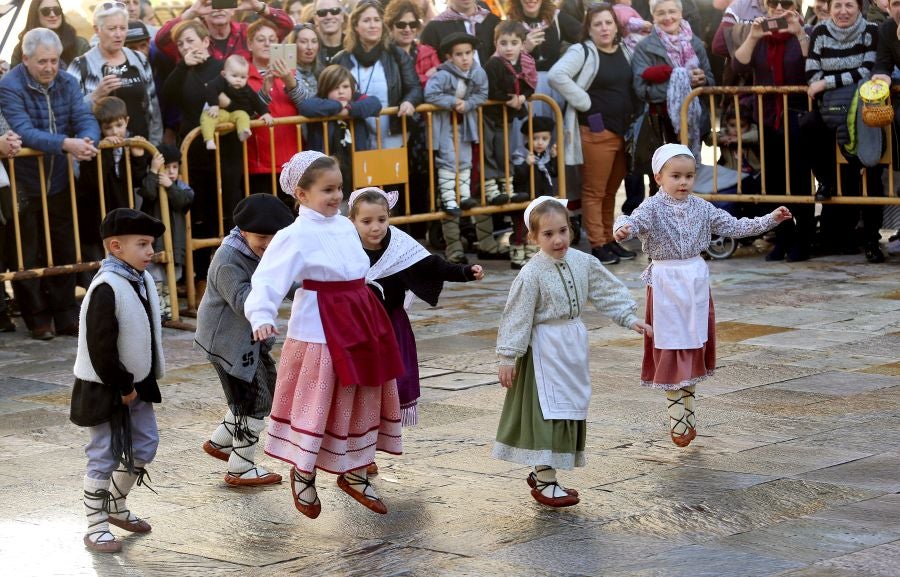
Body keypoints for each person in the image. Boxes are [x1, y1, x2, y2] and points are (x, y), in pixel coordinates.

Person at [244, 151, 405, 519]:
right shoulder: (293, 235)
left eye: (339, 188)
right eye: (327, 190)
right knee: (318, 399)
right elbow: (267, 279)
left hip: (361, 315)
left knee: (362, 394)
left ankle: (356, 469)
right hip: (321, 325)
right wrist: (261, 315)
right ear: (301, 194)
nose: (336, 196)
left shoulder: (345, 226)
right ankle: (303, 470)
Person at [613, 144, 791, 447]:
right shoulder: (652, 208)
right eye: (676, 176)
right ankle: (677, 416)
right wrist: (623, 229)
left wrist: (770, 219)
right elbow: (631, 220)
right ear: (658, 177)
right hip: (667, 281)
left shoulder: (701, 207)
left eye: (689, 176)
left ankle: (689, 410)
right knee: (671, 341)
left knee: (693, 340)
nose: (683, 182)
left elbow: (734, 226)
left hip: (694, 279)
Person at [493, 196, 651, 508]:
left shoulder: (582, 261)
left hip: (572, 345)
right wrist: (508, 355)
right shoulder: (531, 273)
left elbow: (606, 290)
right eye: (548, 234)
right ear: (534, 238)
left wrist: (629, 317)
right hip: (543, 350)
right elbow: (517, 315)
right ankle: (545, 477)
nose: (557, 239)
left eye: (562, 231)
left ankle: (544, 473)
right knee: (547, 411)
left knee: (569, 405)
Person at [348, 187, 484, 472]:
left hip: (391, 330)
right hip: (358, 331)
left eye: (382, 219)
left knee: (387, 390)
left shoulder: (399, 246)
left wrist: (464, 272)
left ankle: (367, 451)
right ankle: (355, 450)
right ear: (352, 221)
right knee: (361, 390)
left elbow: (433, 265)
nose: (376, 227)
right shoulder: (343, 250)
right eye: (367, 221)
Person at [70, 208, 166, 554]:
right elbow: (100, 346)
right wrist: (123, 386)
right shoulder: (106, 286)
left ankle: (115, 502)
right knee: (103, 454)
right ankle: (95, 524)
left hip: (136, 384)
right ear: (115, 247)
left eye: (151, 244)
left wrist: (137, 384)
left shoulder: (138, 279)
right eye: (142, 244)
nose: (149, 251)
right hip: (106, 386)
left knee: (145, 445)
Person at [0, 28, 101, 341]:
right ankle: (37, 318)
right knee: (26, 248)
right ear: (26, 59)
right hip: (24, 180)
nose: (49, 67)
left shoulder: (67, 82)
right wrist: (67, 144)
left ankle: (66, 315)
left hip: (59, 177)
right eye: (42, 61)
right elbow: (24, 131)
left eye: (54, 61)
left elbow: (84, 116)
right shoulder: (9, 86)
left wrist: (87, 140)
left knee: (63, 246)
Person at [195, 194, 295, 486]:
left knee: (261, 391)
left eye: (275, 237)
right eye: (262, 237)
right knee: (255, 401)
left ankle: (220, 443)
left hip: (250, 340)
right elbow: (244, 302)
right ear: (242, 232)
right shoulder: (228, 260)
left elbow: (289, 282)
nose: (268, 243)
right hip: (228, 345)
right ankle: (240, 468)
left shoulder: (266, 254)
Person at [550, 3, 639, 266]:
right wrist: (584, 102)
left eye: (608, 23)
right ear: (588, 28)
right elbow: (557, 75)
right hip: (595, 129)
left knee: (611, 189)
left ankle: (610, 239)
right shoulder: (583, 50)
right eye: (597, 24)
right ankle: (598, 244)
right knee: (594, 190)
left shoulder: (625, 48)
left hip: (624, 130)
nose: (604, 28)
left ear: (616, 25)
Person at [163, 20, 243, 291]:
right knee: (199, 210)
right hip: (194, 150)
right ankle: (199, 276)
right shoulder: (181, 70)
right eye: (181, 43)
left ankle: (236, 273)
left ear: (206, 40)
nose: (186, 46)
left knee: (230, 207)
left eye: (190, 40)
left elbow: (242, 95)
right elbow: (167, 96)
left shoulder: (222, 67)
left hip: (226, 148)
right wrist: (183, 65)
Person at [732, 0, 813, 262]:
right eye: (772, 3)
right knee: (774, 181)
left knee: (799, 180)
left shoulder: (804, 32)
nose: (778, 7)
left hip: (798, 116)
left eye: (785, 2)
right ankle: (783, 236)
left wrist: (798, 33)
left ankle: (803, 239)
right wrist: (754, 36)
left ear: (796, 7)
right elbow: (739, 66)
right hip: (767, 118)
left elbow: (810, 64)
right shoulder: (760, 37)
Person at [805, 0, 884, 262]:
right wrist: (829, 84)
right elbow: (812, 74)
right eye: (837, 5)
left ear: (860, 8)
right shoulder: (819, 33)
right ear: (829, 7)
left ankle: (873, 240)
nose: (843, 11)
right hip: (829, 113)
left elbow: (868, 69)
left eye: (849, 5)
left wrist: (830, 82)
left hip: (864, 111)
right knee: (808, 128)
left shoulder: (872, 31)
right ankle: (841, 232)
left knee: (870, 172)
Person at [425, 33, 489, 263]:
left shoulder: (478, 72)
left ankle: (463, 196)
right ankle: (448, 198)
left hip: (465, 124)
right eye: (459, 54)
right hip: (445, 125)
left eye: (468, 53)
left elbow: (482, 93)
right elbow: (430, 93)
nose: (465, 58)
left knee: (464, 159)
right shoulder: (442, 74)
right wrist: (453, 103)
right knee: (448, 160)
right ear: (449, 57)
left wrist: (469, 104)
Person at [77, 96, 151, 279]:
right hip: (96, 217)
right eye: (108, 128)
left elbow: (137, 180)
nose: (115, 132)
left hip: (121, 213)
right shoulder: (95, 147)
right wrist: (106, 151)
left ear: (126, 121)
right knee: (97, 264)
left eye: (119, 125)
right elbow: (92, 181)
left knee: (124, 260)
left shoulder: (132, 142)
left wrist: (138, 157)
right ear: (100, 128)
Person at [332, 0, 422, 151]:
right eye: (366, 21)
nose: (373, 25)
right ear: (355, 26)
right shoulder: (341, 59)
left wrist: (409, 101)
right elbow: (328, 93)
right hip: (354, 135)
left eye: (376, 20)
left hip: (392, 136)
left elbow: (415, 87)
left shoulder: (396, 54)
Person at [68, 2, 162, 145]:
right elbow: (69, 112)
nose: (118, 34)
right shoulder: (80, 65)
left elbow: (153, 108)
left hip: (140, 152)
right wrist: (96, 95)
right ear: (97, 30)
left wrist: (154, 146)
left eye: (123, 28)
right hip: (100, 156)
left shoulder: (139, 59)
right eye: (112, 28)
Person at [632, 0, 714, 158]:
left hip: (695, 122)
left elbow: (711, 79)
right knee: (665, 178)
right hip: (661, 125)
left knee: (691, 173)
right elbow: (641, 90)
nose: (667, 17)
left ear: (680, 14)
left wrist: (703, 81)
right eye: (661, 13)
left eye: (672, 11)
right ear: (653, 16)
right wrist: (681, 83)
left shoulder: (695, 43)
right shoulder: (644, 48)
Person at [298, 65, 383, 194]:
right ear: (325, 89)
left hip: (356, 164)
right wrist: (337, 106)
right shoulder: (320, 100)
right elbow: (305, 107)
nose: (341, 91)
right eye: (335, 88)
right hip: (326, 165)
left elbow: (375, 103)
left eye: (345, 87)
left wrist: (349, 109)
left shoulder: (355, 100)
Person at [483, 20, 537, 207]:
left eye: (514, 43)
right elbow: (489, 91)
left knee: (504, 150)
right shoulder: (493, 64)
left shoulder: (524, 63)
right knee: (488, 151)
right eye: (503, 43)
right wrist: (508, 98)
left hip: (508, 117)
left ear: (522, 44)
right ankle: (491, 190)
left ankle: (508, 189)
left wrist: (522, 97)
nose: (509, 48)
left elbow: (529, 86)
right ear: (495, 43)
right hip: (490, 116)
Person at [139, 143, 195, 320]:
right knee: (155, 277)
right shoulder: (152, 183)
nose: (171, 171)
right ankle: (159, 311)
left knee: (173, 276)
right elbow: (147, 193)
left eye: (174, 167)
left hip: (175, 242)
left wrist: (170, 186)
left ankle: (168, 309)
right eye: (166, 167)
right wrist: (154, 172)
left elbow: (183, 201)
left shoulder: (182, 187)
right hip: (156, 241)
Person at [505, 0, 581, 117]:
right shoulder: (511, 23)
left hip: (553, 86)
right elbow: (501, 60)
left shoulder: (556, 17)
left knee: (553, 130)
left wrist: (569, 64)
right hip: (524, 88)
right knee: (528, 130)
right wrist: (524, 49)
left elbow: (586, 37)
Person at [155, 0, 294, 64]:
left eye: (224, 2)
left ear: (233, 8)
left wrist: (258, 6)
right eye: (212, 4)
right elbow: (161, 40)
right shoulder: (191, 38)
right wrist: (191, 12)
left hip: (247, 111)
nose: (218, 9)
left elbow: (286, 26)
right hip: (204, 114)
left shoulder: (247, 32)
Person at [510, 115, 557, 269]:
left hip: (540, 199)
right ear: (526, 137)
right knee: (520, 227)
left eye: (544, 138)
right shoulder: (521, 154)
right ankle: (517, 256)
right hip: (525, 198)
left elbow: (553, 174)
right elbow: (517, 178)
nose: (540, 142)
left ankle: (532, 254)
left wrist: (554, 158)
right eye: (535, 138)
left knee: (536, 227)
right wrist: (525, 164)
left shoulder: (545, 156)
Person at [200, 54, 274, 149]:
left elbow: (256, 100)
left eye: (242, 77)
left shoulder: (246, 89)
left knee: (243, 115)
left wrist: (265, 113)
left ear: (247, 78)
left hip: (233, 117)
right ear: (224, 74)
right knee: (207, 116)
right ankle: (209, 139)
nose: (238, 80)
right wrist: (214, 105)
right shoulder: (220, 81)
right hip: (218, 114)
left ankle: (243, 132)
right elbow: (210, 88)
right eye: (234, 76)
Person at [10, 0, 90, 67]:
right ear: (36, 15)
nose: (52, 15)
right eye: (46, 11)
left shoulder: (80, 45)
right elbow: (13, 80)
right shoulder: (21, 49)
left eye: (57, 10)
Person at [313, 0, 347, 66]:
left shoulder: (354, 47)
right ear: (315, 19)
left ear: (342, 16)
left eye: (335, 11)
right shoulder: (309, 49)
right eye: (322, 12)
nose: (329, 17)